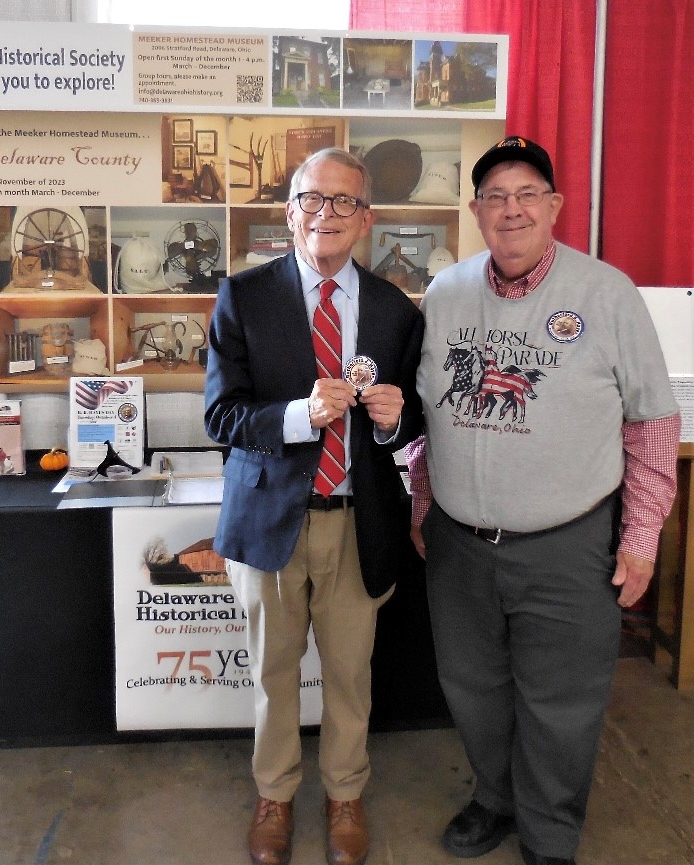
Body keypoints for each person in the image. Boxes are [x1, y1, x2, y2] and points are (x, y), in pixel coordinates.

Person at [406, 136, 681, 865]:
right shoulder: (446, 291)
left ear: (554, 206)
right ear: (476, 211)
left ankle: (551, 831)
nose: (512, 209)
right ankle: (494, 798)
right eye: (495, 196)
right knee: (472, 687)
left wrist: (642, 535)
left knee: (561, 703)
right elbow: (426, 410)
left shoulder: (606, 292)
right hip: (461, 543)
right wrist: (422, 500)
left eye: (528, 193)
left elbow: (652, 418)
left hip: (568, 544)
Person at [204, 147, 424, 865]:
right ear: (289, 209)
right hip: (272, 520)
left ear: (367, 218)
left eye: (342, 203)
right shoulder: (243, 296)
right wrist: (298, 416)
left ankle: (344, 793)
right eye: (310, 199)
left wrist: (394, 420)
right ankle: (274, 792)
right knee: (272, 673)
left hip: (358, 522)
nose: (323, 216)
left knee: (350, 674)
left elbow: (411, 418)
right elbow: (222, 417)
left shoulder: (393, 309)